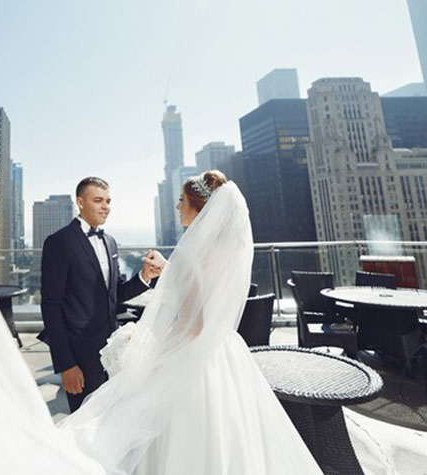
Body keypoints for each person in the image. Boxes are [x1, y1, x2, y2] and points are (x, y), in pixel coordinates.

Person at [60, 171, 323, 474]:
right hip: (224, 351)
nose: (177, 207)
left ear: (200, 208)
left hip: (193, 353)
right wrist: (169, 270)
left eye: (182, 200)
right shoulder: (226, 249)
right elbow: (204, 293)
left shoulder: (191, 252)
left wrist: (151, 352)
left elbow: (193, 324)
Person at [39, 177, 165, 413]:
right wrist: (66, 364)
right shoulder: (59, 242)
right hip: (80, 356)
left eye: (108, 201)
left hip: (112, 352)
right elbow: (51, 306)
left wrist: (144, 276)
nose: (105, 206)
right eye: (98, 200)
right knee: (84, 426)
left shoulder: (110, 242)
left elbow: (115, 294)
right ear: (80, 202)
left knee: (113, 422)